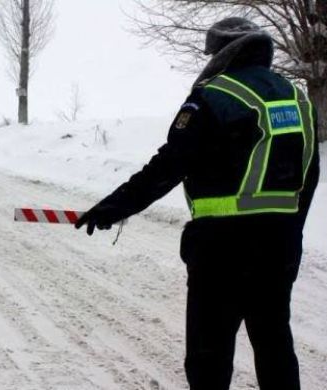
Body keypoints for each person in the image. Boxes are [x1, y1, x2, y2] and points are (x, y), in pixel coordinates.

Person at [75, 17, 320, 390]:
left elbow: (168, 166)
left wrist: (113, 207)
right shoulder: (297, 97)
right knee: (274, 345)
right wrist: (291, 230)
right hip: (280, 245)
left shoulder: (213, 96)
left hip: (222, 248)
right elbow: (310, 174)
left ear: (222, 53)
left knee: (210, 354)